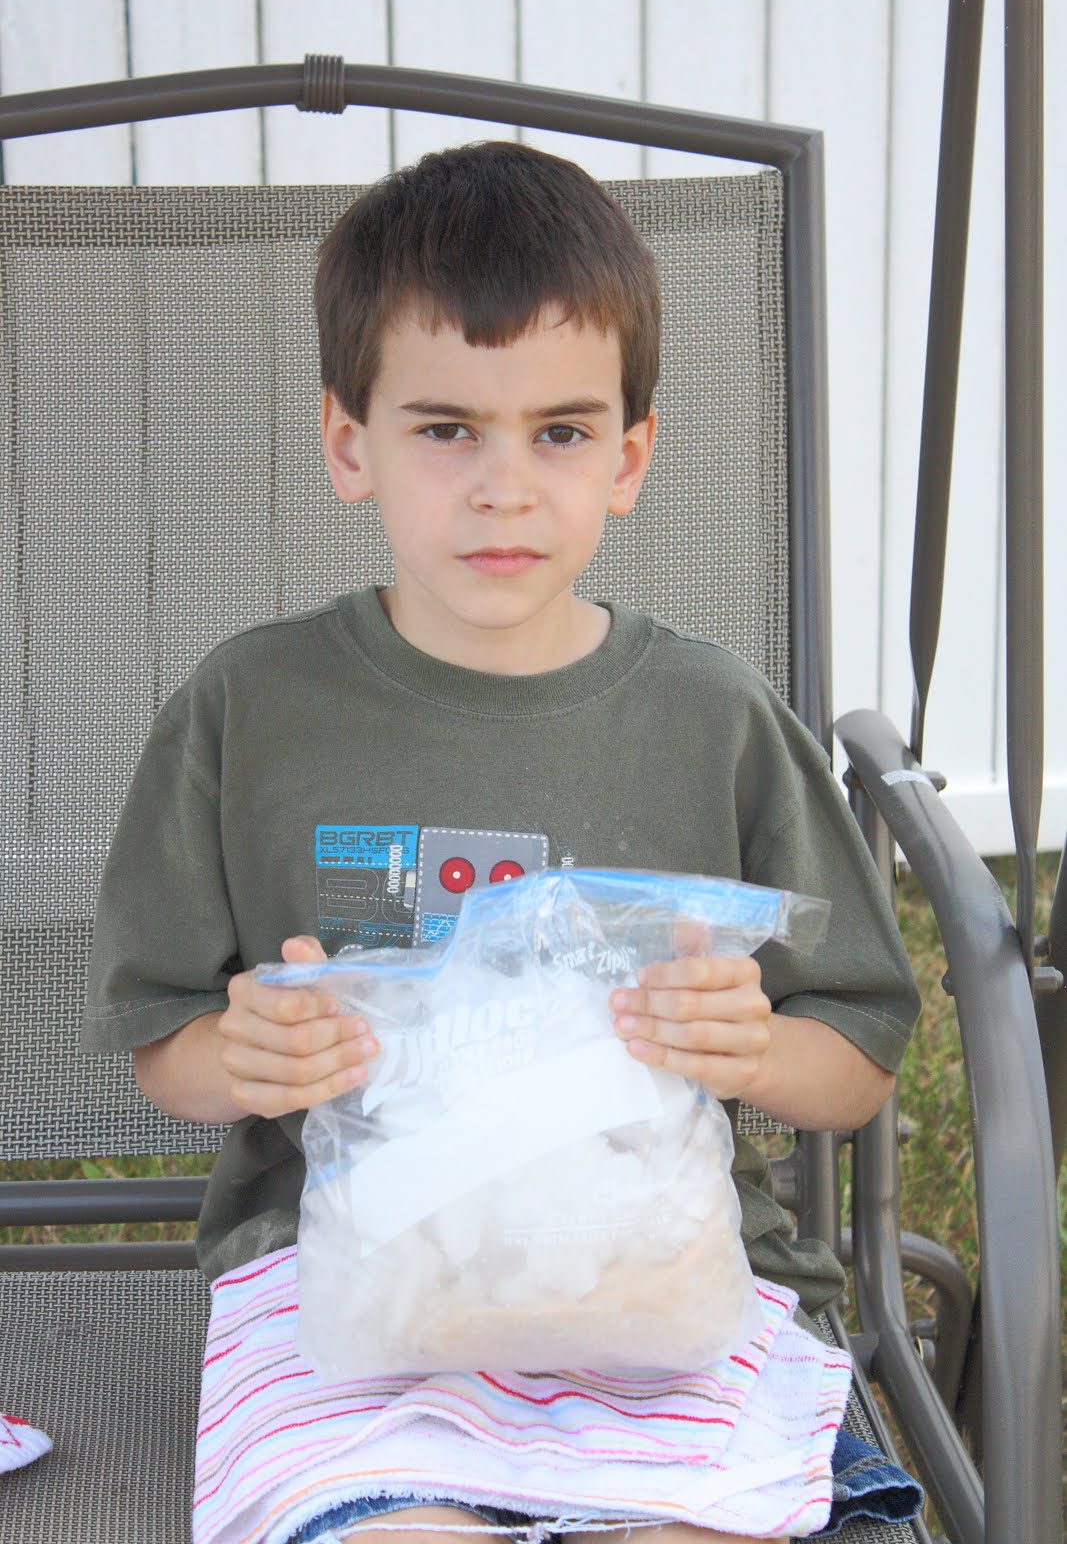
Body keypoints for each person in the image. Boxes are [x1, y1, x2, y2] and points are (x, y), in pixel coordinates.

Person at [83, 141, 922, 1544]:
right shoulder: (250, 710)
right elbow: (167, 1042)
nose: (503, 486)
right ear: (351, 445)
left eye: (561, 432)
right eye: (445, 428)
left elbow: (854, 1061)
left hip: (666, 1297)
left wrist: (748, 1048)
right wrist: (246, 1054)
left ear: (631, 457)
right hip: (351, 1304)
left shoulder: (712, 717)